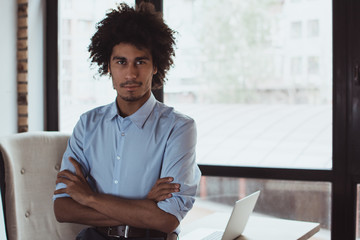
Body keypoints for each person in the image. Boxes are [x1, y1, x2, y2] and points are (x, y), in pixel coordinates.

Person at [53, 2, 201, 240]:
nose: (131, 74)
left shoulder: (179, 128)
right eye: (121, 62)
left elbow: (166, 219)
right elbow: (62, 209)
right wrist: (144, 206)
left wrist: (89, 198)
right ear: (108, 67)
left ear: (155, 67)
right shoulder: (87, 124)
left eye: (140, 61)